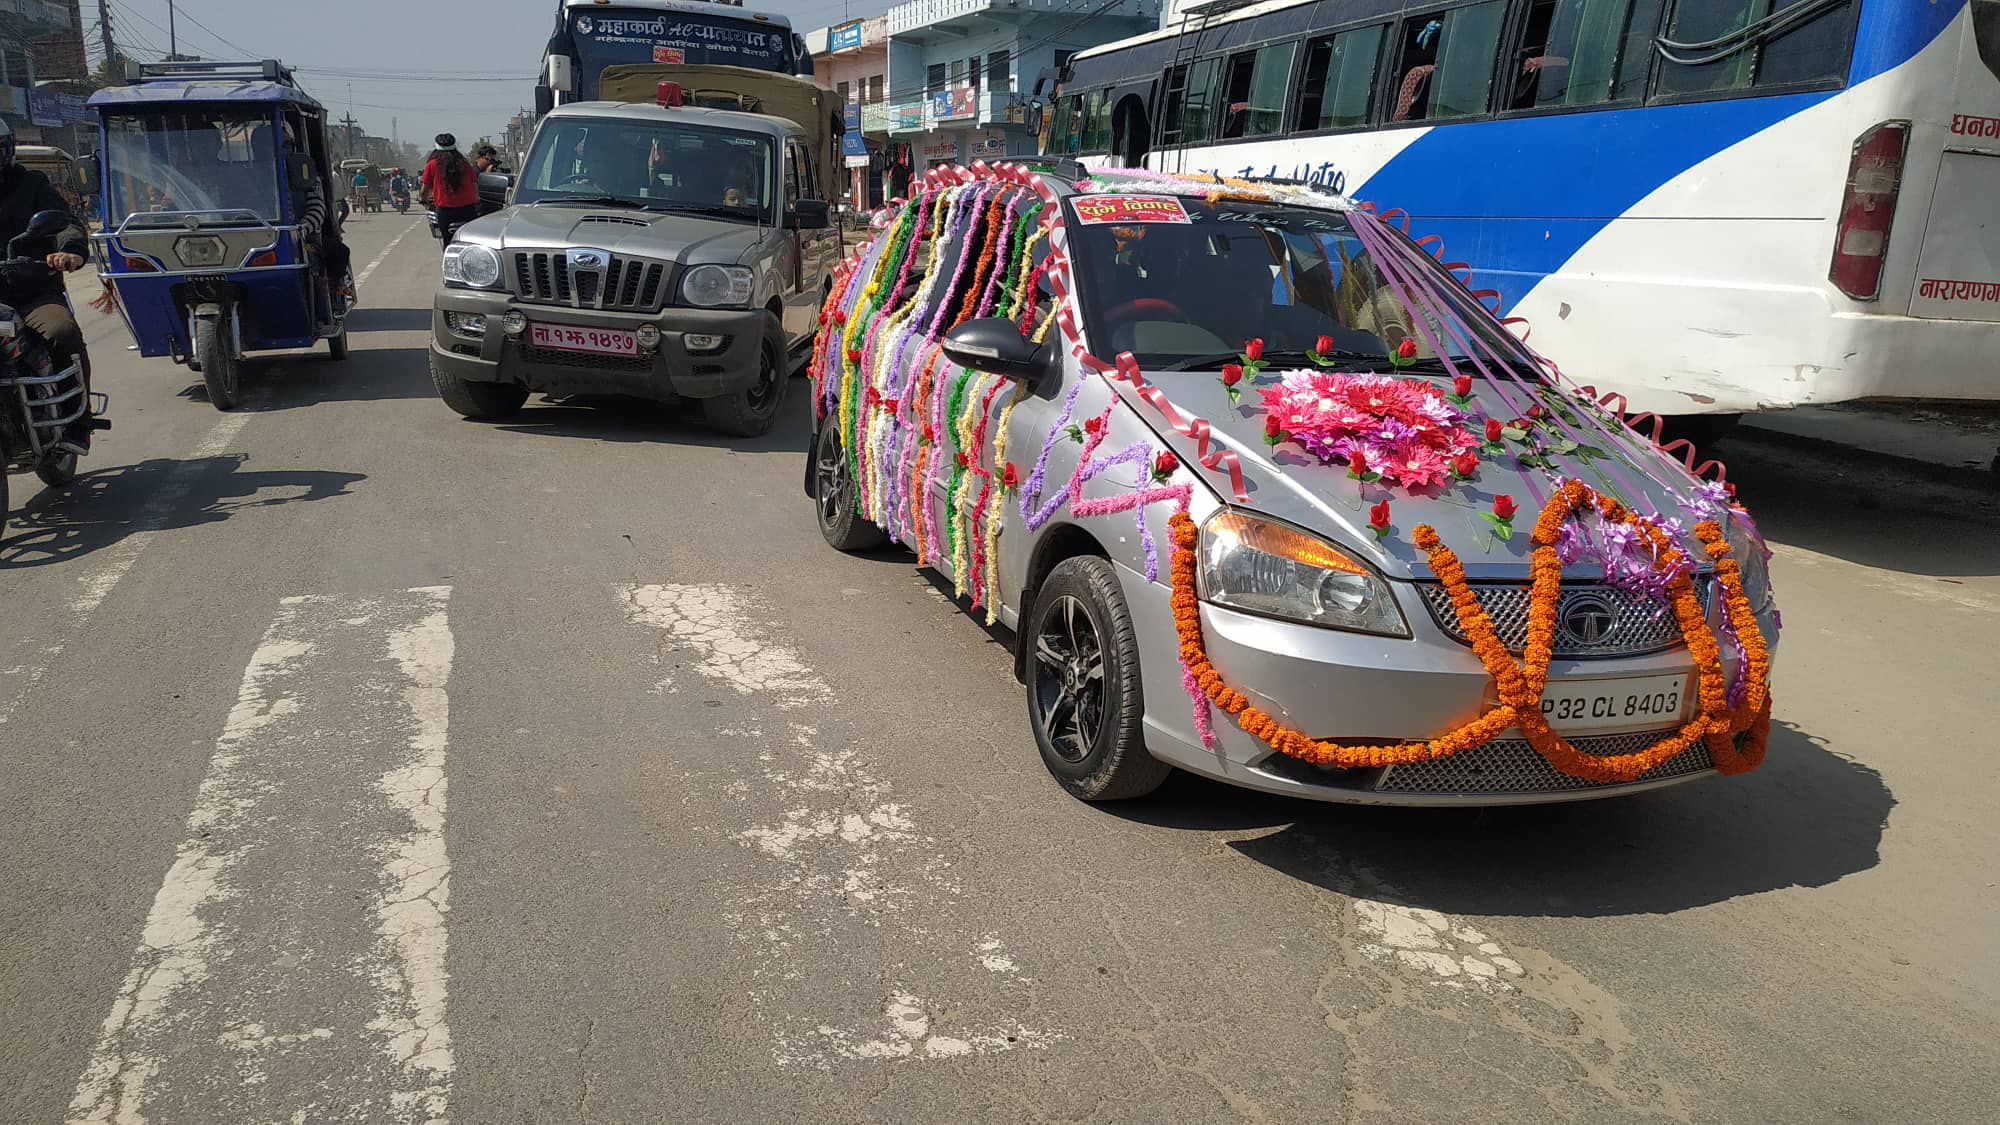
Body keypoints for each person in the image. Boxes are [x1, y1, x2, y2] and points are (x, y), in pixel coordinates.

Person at [0, 117, 89, 383]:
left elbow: (66, 223)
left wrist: (70, 251)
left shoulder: (32, 185)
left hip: (33, 294)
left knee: (62, 333)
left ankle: (78, 409)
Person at [421, 134, 480, 243]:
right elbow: (474, 185)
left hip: (445, 212)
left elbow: (424, 190)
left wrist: (423, 200)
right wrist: (476, 198)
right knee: (470, 240)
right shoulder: (465, 164)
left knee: (447, 241)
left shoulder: (432, 165)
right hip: (468, 210)